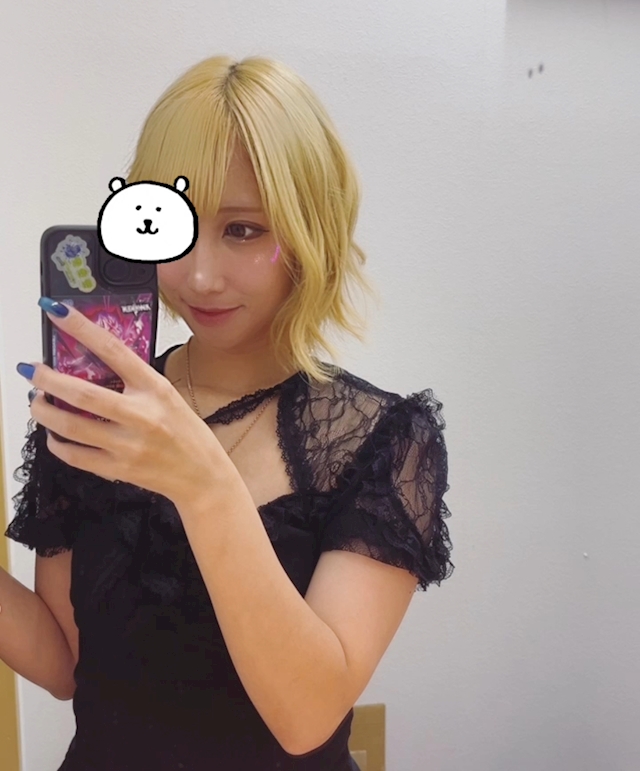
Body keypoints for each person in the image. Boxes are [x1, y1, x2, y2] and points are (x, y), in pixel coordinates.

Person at [1, 54, 454, 771]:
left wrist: (203, 486)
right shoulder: (96, 410)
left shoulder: (382, 441)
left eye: (242, 230)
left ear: (308, 229)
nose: (200, 274)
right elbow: (67, 664)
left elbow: (307, 717)